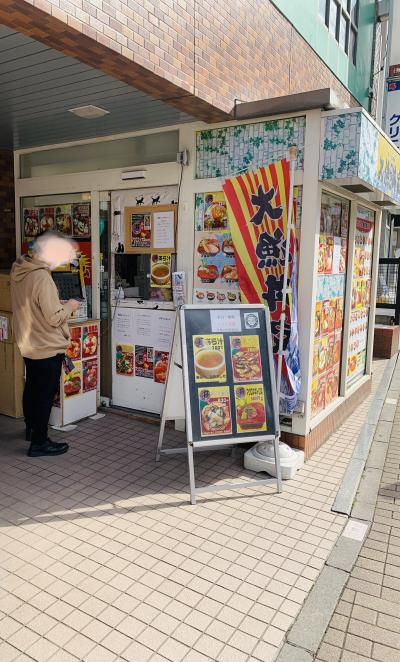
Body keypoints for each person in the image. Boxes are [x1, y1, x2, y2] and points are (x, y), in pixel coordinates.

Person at [11, 231, 81, 457]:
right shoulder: (41, 277)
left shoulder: (20, 270)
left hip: (29, 343)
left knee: (32, 389)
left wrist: (56, 304)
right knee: (44, 395)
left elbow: (35, 306)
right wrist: (70, 306)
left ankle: (31, 430)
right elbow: (53, 318)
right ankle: (39, 443)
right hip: (47, 345)